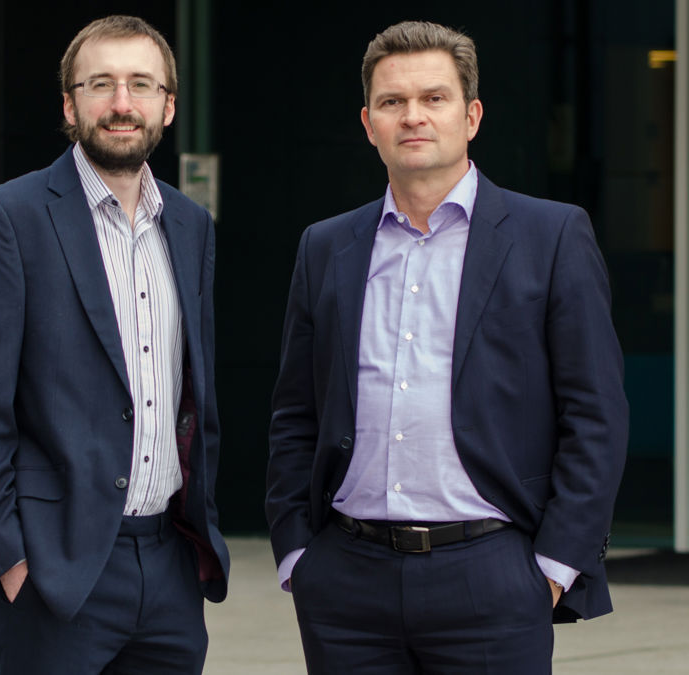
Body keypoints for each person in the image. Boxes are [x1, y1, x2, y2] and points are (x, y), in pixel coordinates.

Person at [265, 20, 628, 674]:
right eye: (392, 102)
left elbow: (595, 413)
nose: (413, 116)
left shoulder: (550, 237)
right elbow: (295, 411)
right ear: (369, 121)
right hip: (346, 579)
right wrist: (297, 552)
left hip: (494, 572)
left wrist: (552, 566)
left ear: (472, 115)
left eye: (434, 98)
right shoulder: (325, 246)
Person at [0, 15, 229, 674]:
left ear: (168, 105)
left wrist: (198, 538)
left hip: (170, 569)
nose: (122, 103)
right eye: (101, 85)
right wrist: (7, 560)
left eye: (140, 85)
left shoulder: (190, 225)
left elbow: (195, 397)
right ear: (70, 104)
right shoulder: (7, 219)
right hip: (55, 574)